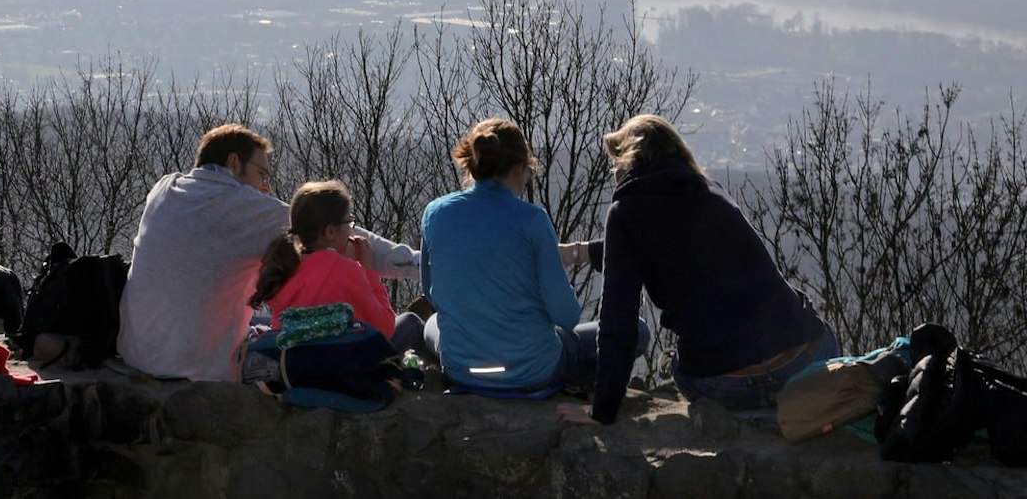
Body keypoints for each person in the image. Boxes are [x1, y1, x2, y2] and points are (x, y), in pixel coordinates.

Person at [557, 114, 838, 425]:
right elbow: (670, 242)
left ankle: (755, 409)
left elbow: (618, 322)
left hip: (725, 381)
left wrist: (603, 411)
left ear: (626, 163)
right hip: (804, 357)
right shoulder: (710, 191)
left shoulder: (625, 213)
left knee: (677, 366)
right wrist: (579, 252)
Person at [119, 123, 420, 382]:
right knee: (404, 326)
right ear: (234, 163)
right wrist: (422, 263)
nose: (266, 188)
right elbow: (340, 233)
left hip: (137, 355)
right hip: (198, 368)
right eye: (262, 174)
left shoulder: (163, 189)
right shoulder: (247, 207)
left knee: (264, 322)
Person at [421, 116, 649, 393]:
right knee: (637, 331)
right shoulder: (532, 221)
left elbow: (432, 293)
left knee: (431, 324)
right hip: (532, 371)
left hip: (462, 369)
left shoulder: (435, 214)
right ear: (519, 168)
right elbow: (567, 315)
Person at [249, 179, 425, 355]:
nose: (351, 229)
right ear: (330, 232)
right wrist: (369, 271)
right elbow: (385, 327)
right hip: (344, 368)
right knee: (411, 323)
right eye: (349, 223)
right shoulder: (347, 271)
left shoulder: (282, 267)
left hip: (296, 367)